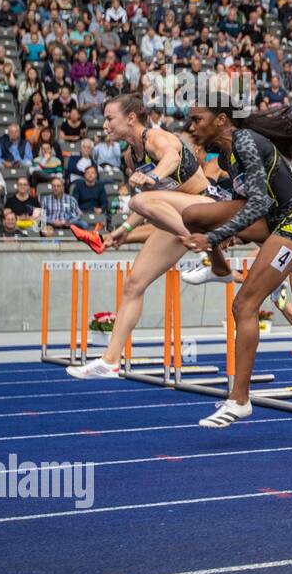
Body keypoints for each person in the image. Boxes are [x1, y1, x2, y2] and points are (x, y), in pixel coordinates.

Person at [65, 94, 234, 380]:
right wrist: (125, 229)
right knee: (134, 283)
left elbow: (173, 157)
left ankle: (204, 244)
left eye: (110, 118)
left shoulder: (156, 137)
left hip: (207, 207)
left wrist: (154, 175)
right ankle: (110, 360)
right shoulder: (130, 155)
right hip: (180, 219)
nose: (104, 125)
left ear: (131, 118)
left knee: (139, 201)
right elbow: (148, 202)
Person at [177, 103, 292, 427]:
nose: (192, 127)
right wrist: (233, 235)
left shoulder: (244, 141)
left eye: (198, 119)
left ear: (221, 120)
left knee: (244, 305)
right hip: (273, 223)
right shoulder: (227, 157)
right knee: (192, 216)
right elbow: (249, 202)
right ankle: (220, 269)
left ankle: (240, 399)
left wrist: (219, 234)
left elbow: (260, 201)